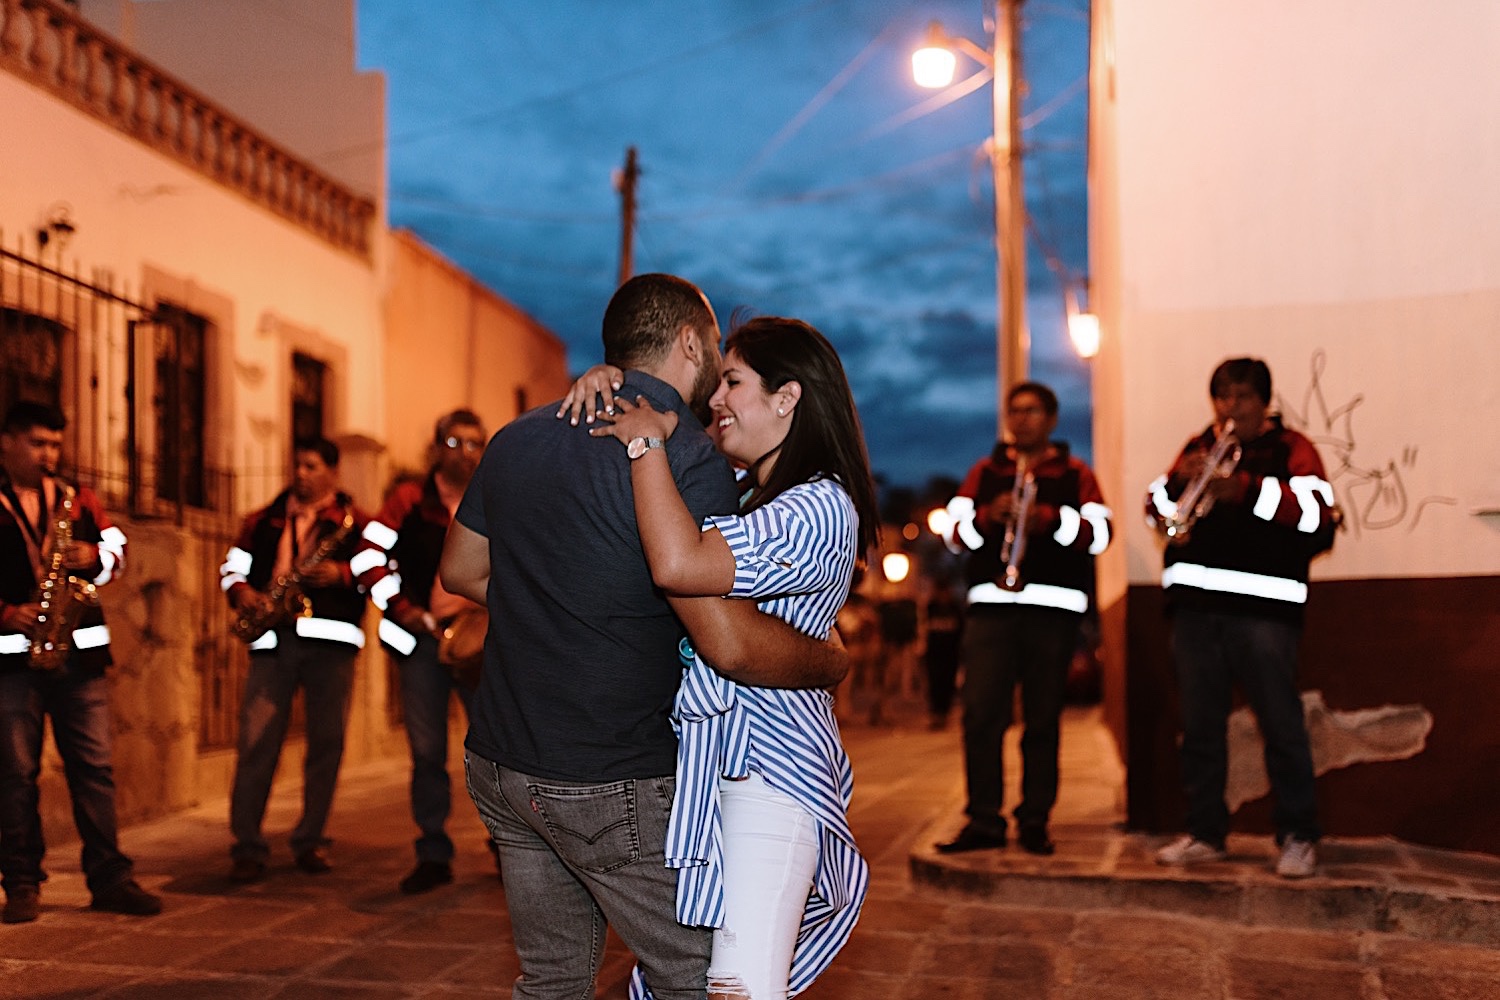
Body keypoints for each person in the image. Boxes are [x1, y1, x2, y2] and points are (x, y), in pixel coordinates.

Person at [439, 274, 850, 1000]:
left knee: (552, 980)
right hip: (607, 774)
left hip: (501, 762)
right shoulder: (689, 458)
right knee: (701, 981)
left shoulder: (518, 436)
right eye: (717, 359)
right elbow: (723, 640)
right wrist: (832, 658)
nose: (720, 392)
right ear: (690, 342)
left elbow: (461, 571)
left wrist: (562, 602)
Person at [585, 314, 877, 1000]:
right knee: (682, 980)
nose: (715, 399)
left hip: (772, 771)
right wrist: (612, 384)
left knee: (739, 987)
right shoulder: (752, 494)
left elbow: (681, 563)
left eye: (734, 382)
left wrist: (645, 448)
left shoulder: (818, 506)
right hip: (727, 764)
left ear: (788, 396)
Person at [1145, 357, 1336, 879]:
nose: (1232, 408)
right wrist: (1172, 486)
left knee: (1281, 726)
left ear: (1264, 402)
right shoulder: (1198, 446)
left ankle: (1297, 834)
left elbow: (1320, 517)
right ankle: (1206, 832)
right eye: (1223, 397)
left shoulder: (1291, 449)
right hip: (1195, 613)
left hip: (1265, 615)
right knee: (1201, 728)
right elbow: (1159, 515)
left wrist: (1247, 491)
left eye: (1243, 397)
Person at [0, 402, 161, 924]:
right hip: (11, 661)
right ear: (7, 441)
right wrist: (6, 613)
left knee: (94, 769)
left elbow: (119, 550)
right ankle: (22, 884)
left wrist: (96, 558)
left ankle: (111, 878)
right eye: (38, 443)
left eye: (55, 444)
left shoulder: (76, 499)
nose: (50, 454)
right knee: (16, 774)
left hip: (80, 656)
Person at [937, 382, 1112, 856]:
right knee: (981, 717)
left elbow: (1100, 534)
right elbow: (953, 537)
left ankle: (1035, 819)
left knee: (1042, 720)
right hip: (991, 612)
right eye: (1014, 411)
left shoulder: (1075, 473)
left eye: (1032, 411)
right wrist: (986, 517)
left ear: (1052, 419)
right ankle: (984, 820)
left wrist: (1049, 520)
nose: (1022, 419)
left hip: (1052, 616)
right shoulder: (985, 471)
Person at [352, 409, 497, 894]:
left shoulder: (496, 497)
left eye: (475, 443)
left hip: (479, 641)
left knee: (494, 748)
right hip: (421, 643)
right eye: (455, 444)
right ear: (437, 448)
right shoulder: (410, 500)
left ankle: (505, 846)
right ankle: (433, 852)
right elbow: (368, 558)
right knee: (428, 750)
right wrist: (400, 607)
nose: (466, 453)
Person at [220, 437, 368, 882]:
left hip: (331, 645)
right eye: (297, 464)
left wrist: (342, 573)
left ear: (333, 472)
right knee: (256, 741)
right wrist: (243, 592)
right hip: (272, 639)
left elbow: (384, 567)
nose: (301, 473)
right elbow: (231, 567)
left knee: (326, 743)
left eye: (311, 465)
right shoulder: (262, 519)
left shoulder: (356, 523)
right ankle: (247, 844)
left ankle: (311, 839)